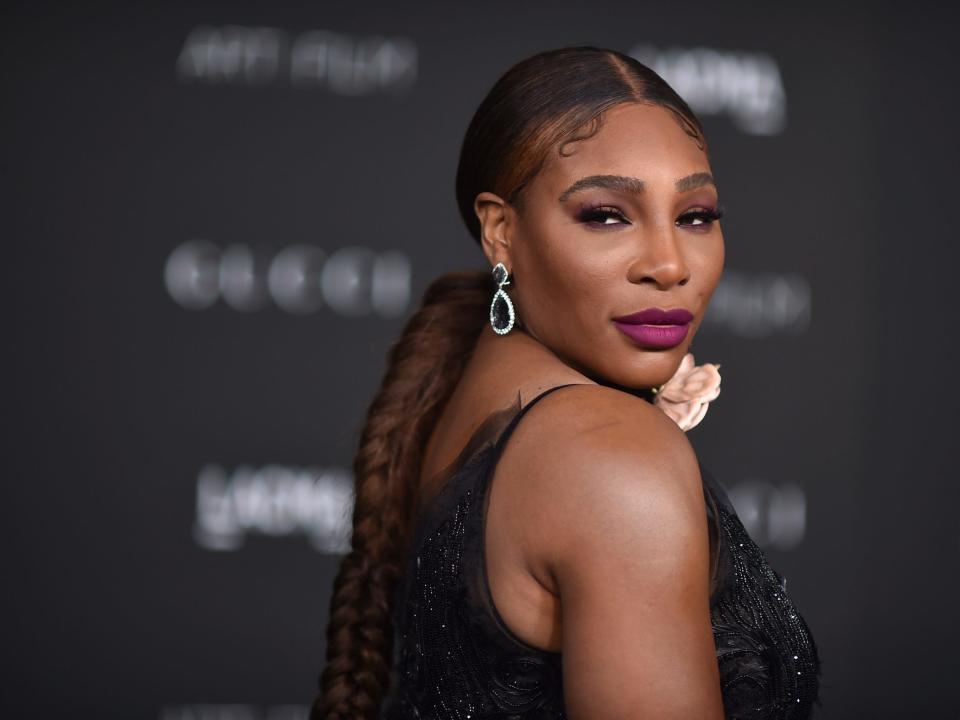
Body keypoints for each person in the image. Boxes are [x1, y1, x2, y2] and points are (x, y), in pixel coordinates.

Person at [312, 46, 820, 720]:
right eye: (607, 215)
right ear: (501, 231)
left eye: (696, 216)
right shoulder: (608, 457)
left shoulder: (474, 396)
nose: (669, 264)